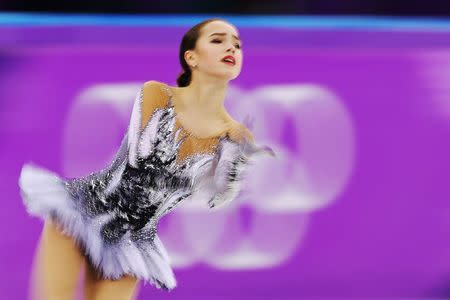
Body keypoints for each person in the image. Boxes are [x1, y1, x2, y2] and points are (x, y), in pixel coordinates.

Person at [18, 17, 275, 300]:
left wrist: (233, 168)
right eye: (218, 40)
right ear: (192, 58)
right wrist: (204, 166)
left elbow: (217, 199)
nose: (231, 48)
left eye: (237, 45)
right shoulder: (157, 93)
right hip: (83, 210)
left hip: (131, 241)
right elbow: (141, 157)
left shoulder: (236, 135)